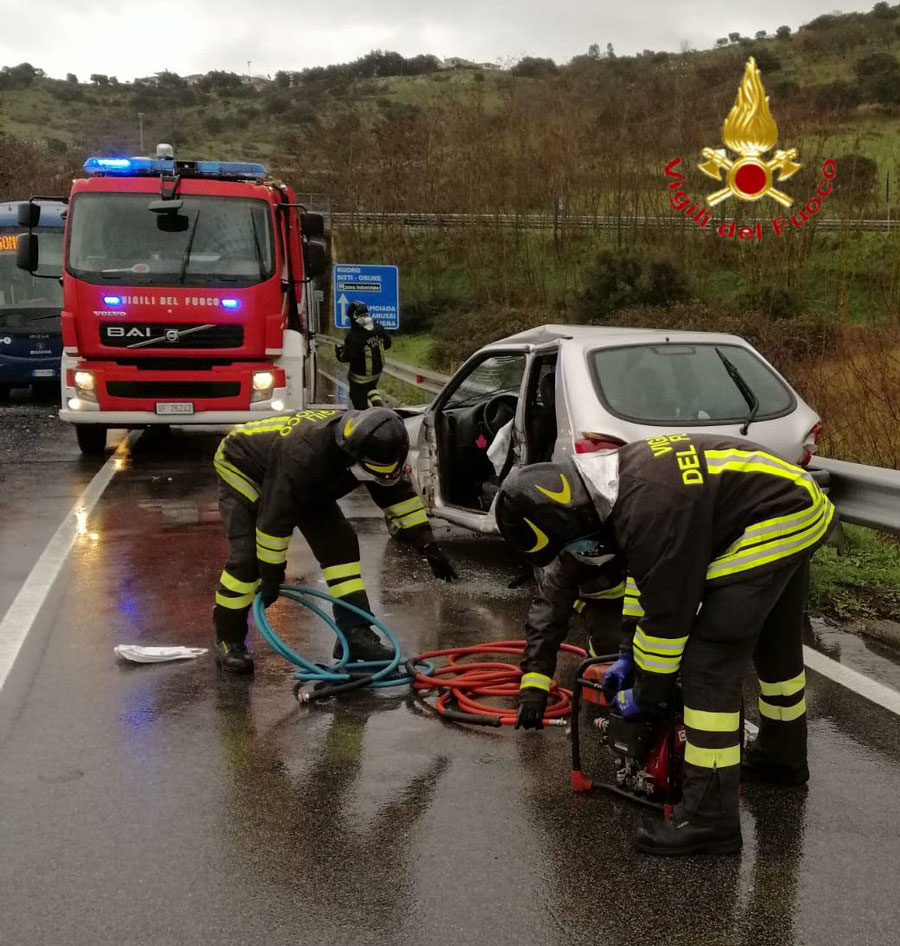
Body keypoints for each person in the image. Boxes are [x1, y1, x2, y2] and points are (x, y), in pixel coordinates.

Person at [495, 433, 836, 856]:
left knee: (708, 662)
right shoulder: (613, 488)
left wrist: (646, 696)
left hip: (778, 516)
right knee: (776, 648)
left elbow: (669, 621)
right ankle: (783, 759)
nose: (584, 553)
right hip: (792, 503)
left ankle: (710, 820)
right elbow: (647, 579)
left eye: (577, 546)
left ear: (570, 521)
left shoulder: (647, 507)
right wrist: (626, 653)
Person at [213, 406, 457, 674]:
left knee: (341, 546)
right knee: (248, 559)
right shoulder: (304, 454)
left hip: (303, 478)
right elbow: (274, 520)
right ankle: (229, 639)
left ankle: (355, 635)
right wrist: (271, 574)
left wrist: (427, 544)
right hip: (243, 465)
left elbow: (396, 493)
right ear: (351, 454)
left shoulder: (374, 444)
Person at [336, 302, 392, 409]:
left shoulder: (354, 335)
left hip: (359, 378)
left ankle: (368, 417)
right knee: (371, 387)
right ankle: (378, 405)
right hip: (376, 373)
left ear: (353, 317)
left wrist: (339, 352)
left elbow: (348, 357)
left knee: (357, 398)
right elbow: (387, 344)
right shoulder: (378, 327)